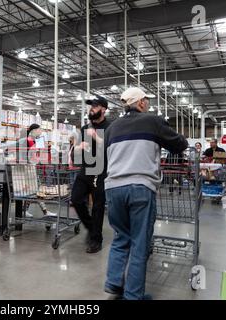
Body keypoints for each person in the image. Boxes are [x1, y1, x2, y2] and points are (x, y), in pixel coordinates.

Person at [104, 87, 188, 300]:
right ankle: (133, 296)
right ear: (140, 103)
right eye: (146, 101)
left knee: (121, 236)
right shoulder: (153, 121)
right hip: (140, 186)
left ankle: (113, 282)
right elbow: (180, 145)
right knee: (140, 243)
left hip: (113, 188)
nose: (148, 104)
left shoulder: (112, 128)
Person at [71, 95, 111, 254]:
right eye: (90, 106)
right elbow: (79, 153)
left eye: (95, 106)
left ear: (103, 109)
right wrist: (78, 147)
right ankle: (91, 227)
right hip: (85, 170)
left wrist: (98, 138)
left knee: (98, 206)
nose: (91, 109)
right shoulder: (84, 128)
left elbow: (113, 148)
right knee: (75, 199)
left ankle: (96, 240)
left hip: (101, 171)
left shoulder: (110, 127)